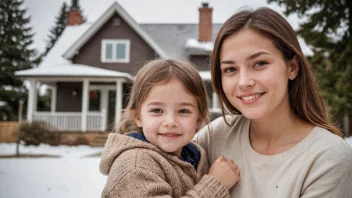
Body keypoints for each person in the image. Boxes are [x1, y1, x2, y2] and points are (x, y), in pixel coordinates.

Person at [195, 7, 352, 198]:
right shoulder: (214, 136)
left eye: (260, 64)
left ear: (292, 68)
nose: (244, 82)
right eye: (230, 69)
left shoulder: (327, 156)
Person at [99, 59, 240, 198]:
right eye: (157, 110)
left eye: (183, 111)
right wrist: (215, 185)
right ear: (138, 117)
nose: (171, 122)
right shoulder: (135, 165)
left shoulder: (196, 156)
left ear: (198, 119)